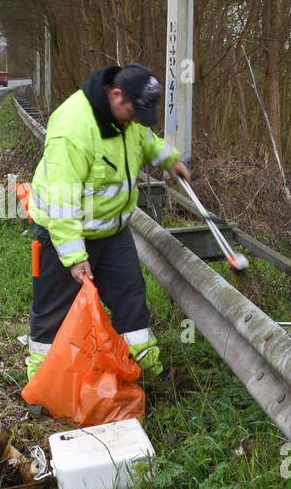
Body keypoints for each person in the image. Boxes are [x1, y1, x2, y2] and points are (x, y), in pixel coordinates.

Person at [25, 64, 190, 381]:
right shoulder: (73, 129)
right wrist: (75, 258)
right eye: (133, 110)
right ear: (116, 95)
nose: (135, 119)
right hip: (63, 235)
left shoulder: (126, 118)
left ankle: (144, 370)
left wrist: (170, 159)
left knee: (131, 298)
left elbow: (145, 140)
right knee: (53, 311)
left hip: (113, 233)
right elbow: (61, 202)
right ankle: (42, 383)